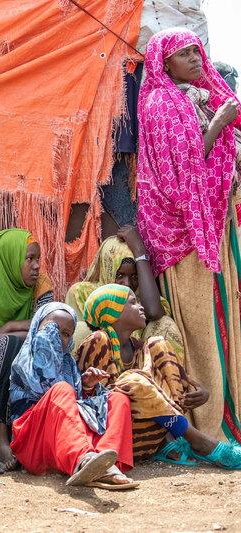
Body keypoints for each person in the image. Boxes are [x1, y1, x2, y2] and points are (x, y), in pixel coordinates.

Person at [136, 28, 241, 443]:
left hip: (211, 224)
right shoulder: (161, 104)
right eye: (185, 54)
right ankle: (207, 426)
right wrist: (218, 122)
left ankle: (229, 412)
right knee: (200, 330)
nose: (196, 59)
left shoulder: (193, 98)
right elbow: (186, 171)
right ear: (165, 63)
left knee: (223, 323)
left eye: (197, 51)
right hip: (182, 233)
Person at [76, 284, 241, 468]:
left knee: (158, 343)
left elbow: (179, 378)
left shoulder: (139, 348)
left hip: (148, 436)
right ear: (113, 312)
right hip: (115, 437)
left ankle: (169, 441)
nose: (141, 307)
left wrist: (200, 391)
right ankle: (199, 442)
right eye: (132, 302)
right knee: (134, 379)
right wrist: (135, 385)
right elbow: (92, 401)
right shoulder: (98, 340)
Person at [9, 303, 137, 490]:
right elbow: (49, 390)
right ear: (37, 326)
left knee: (117, 400)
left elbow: (76, 408)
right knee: (62, 389)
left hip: (67, 442)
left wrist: (86, 387)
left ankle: (103, 464)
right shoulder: (23, 362)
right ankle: (85, 460)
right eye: (50, 328)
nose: (55, 336)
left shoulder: (69, 364)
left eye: (66, 334)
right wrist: (70, 391)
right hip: (34, 443)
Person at [0, 228, 53, 469]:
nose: (36, 266)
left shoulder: (41, 285)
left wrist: (4, 330)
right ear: (8, 261)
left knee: (12, 342)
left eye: (38, 258)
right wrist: (1, 338)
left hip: (33, 370)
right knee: (8, 345)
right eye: (29, 259)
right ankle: (0, 433)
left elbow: (49, 326)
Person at [65, 226, 183, 359]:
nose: (127, 284)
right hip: (99, 363)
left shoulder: (141, 299)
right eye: (120, 275)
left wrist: (140, 252)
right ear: (107, 269)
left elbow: (154, 312)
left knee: (165, 324)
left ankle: (167, 372)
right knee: (81, 329)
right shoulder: (82, 294)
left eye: (134, 276)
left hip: (138, 365)